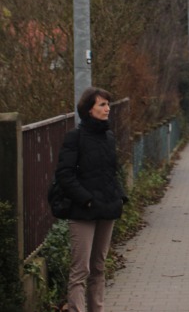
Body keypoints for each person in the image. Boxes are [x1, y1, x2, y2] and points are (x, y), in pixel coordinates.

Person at [55, 87, 127, 312]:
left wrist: (119, 196)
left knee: (98, 267)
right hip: (83, 212)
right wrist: (86, 200)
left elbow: (111, 172)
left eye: (108, 104)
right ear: (89, 110)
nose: (108, 109)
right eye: (102, 105)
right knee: (81, 270)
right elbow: (64, 174)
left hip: (107, 208)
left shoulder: (109, 137)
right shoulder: (75, 137)